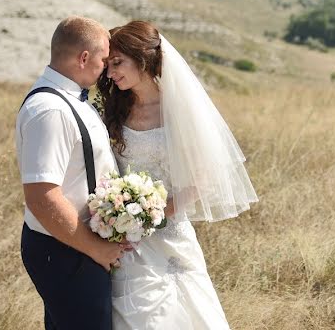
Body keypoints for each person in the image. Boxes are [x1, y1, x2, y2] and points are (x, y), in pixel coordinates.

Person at [97, 20, 258, 329]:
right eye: (107, 65)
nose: (110, 73)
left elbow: (204, 177)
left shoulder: (178, 108)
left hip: (168, 231)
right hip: (123, 237)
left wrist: (155, 214)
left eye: (117, 63)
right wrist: (119, 218)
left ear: (143, 58)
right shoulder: (115, 107)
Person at [16, 16, 133, 330]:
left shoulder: (74, 99)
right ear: (84, 58)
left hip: (74, 245)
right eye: (103, 60)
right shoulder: (51, 110)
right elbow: (42, 196)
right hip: (67, 249)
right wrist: (95, 248)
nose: (106, 69)